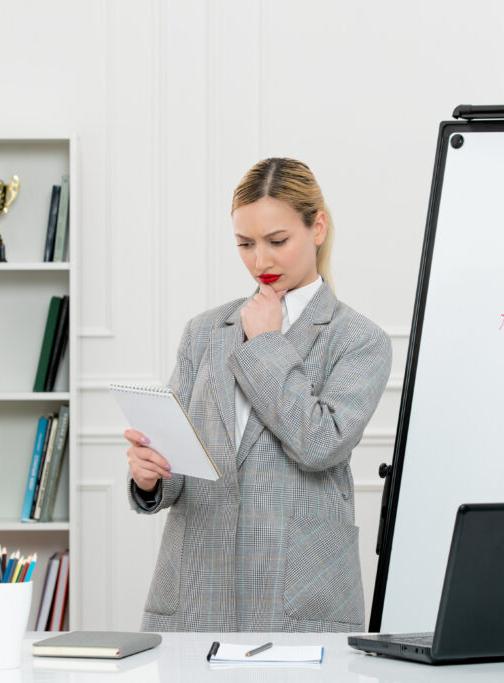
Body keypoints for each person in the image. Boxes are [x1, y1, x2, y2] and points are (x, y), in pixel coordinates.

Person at [125, 157, 392, 632]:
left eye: (277, 241)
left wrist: (266, 343)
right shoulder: (203, 332)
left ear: (317, 228)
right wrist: (151, 478)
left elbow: (321, 443)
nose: (260, 261)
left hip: (297, 594)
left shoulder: (358, 339)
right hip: (196, 589)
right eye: (245, 244)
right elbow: (182, 462)